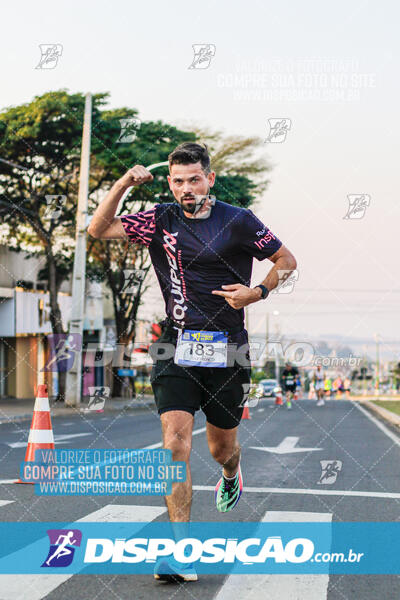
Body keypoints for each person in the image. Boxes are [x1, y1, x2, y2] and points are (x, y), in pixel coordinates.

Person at [88, 142, 297, 582]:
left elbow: (286, 260)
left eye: (194, 179)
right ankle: (182, 553)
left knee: (220, 448)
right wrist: (125, 182)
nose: (187, 188)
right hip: (175, 344)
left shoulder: (238, 220)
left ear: (210, 179)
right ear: (170, 183)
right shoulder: (159, 218)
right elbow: (97, 229)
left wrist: (257, 292)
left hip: (229, 348)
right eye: (178, 181)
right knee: (175, 444)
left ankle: (232, 471)